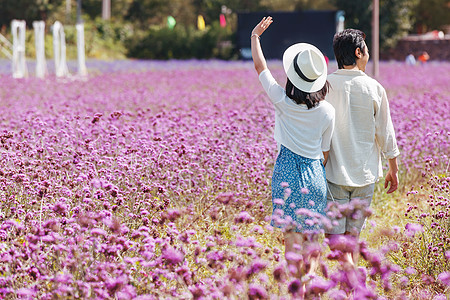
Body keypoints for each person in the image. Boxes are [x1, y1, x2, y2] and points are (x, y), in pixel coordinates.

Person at [251, 16, 335, 278]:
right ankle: (311, 286)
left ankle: (296, 289)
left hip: (286, 171)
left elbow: (260, 67)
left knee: (291, 236)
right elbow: (325, 151)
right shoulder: (327, 111)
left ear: (292, 77)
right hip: (314, 174)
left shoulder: (281, 101)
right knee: (312, 237)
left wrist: (255, 37)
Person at [324, 29, 400, 264]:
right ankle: (353, 285)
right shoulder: (374, 88)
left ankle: (349, 282)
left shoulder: (324, 86)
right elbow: (385, 132)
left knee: (335, 241)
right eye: (366, 51)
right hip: (365, 174)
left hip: (334, 173)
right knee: (353, 237)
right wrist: (393, 169)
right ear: (358, 52)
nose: (367, 56)